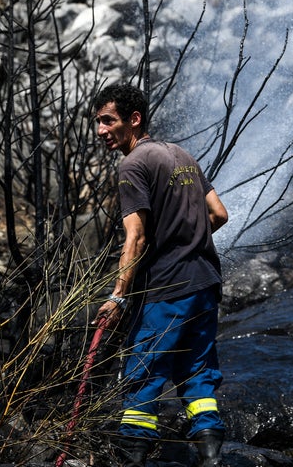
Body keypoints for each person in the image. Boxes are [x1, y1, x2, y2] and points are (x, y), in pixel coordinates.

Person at [93, 83, 229, 467]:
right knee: (198, 372)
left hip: (167, 289)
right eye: (98, 123)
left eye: (108, 121)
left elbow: (134, 238)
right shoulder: (181, 155)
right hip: (204, 283)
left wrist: (118, 296)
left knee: (143, 374)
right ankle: (211, 457)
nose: (101, 131)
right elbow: (219, 214)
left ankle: (134, 457)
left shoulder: (133, 165)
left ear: (134, 120)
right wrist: (187, 242)